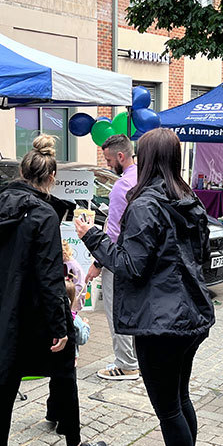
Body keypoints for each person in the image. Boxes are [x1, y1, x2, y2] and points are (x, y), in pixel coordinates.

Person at [76, 128, 215, 446]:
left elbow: (129, 265)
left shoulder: (145, 204)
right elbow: (196, 256)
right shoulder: (188, 199)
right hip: (188, 315)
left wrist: (92, 237)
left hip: (162, 322)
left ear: (146, 158)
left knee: (169, 407)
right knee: (180, 399)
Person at [0, 134, 107, 446]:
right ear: (51, 179)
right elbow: (51, 276)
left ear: (22, 172)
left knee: (6, 379)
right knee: (64, 374)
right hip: (35, 308)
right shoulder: (43, 214)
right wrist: (59, 326)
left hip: (2, 306)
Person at [86, 134, 140, 381]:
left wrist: (98, 262)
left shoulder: (121, 187)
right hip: (140, 259)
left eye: (108, 160)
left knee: (116, 310)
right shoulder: (144, 177)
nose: (108, 165)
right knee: (134, 311)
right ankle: (136, 359)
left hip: (118, 260)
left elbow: (114, 232)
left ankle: (126, 364)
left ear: (120, 156)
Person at [45, 278, 91, 432]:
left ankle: (52, 414)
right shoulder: (74, 319)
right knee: (68, 392)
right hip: (69, 361)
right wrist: (86, 326)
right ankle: (64, 424)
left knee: (54, 388)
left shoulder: (49, 316)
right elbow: (82, 339)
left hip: (52, 360)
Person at [62, 240, 85, 312]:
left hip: (73, 299)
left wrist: (75, 301)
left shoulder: (74, 266)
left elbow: (80, 284)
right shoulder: (61, 263)